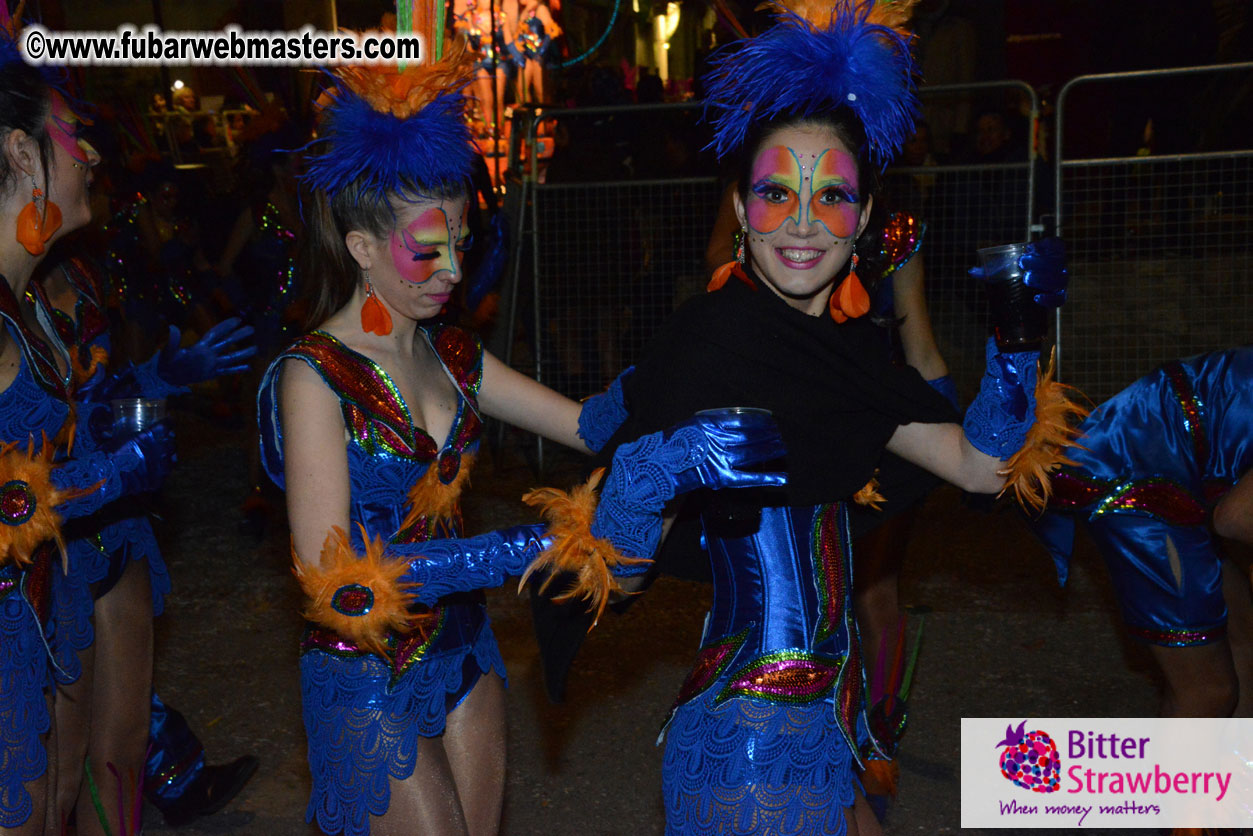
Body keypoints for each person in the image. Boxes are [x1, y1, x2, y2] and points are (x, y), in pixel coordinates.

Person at [567, 2, 1081, 833]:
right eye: (776, 192)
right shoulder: (707, 342)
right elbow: (620, 577)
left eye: (832, 195)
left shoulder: (849, 357)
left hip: (828, 722)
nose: (802, 222)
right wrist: (651, 469)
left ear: (866, 219)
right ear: (738, 208)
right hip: (743, 736)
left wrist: (1017, 339)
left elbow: (980, 465)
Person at [256, 32, 783, 836]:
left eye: (459, 243)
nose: (452, 269)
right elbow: (337, 581)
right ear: (361, 248)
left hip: (463, 649)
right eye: (424, 249)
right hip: (363, 673)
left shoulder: (454, 355)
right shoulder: (313, 376)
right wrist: (516, 551)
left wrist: (704, 359)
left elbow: (588, 422)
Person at [0, 21, 174, 832]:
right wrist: (113, 474)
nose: (95, 158)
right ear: (20, 155)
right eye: (73, 141)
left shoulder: (26, 307)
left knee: (66, 794)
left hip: (39, 608)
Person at [33, 255, 256, 835]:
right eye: (76, 155)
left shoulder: (77, 276)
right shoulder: (11, 297)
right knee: (55, 775)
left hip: (118, 529)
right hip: (52, 547)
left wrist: (157, 379)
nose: (94, 159)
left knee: (123, 753)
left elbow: (94, 400)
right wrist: (106, 471)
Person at [1033, 347, 1253, 717]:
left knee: (1242, 634)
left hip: (1178, 468)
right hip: (1135, 475)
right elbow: (1236, 518)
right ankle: (1176, 773)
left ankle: (1237, 767)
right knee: (1208, 691)